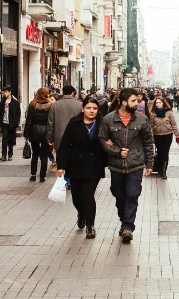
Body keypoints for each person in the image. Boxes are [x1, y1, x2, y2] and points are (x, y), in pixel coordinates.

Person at [98, 88, 154, 243]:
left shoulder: (142, 120)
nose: (137, 103)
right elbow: (102, 139)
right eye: (133, 101)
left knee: (132, 194)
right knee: (119, 195)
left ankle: (128, 227)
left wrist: (149, 163)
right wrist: (116, 151)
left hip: (135, 164)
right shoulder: (109, 120)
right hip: (116, 166)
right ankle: (124, 221)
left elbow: (148, 142)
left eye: (137, 100)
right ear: (124, 102)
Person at [55, 97, 107, 239]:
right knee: (77, 198)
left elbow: (108, 142)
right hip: (75, 165)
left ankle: (90, 226)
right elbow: (64, 145)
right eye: (89, 108)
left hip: (94, 166)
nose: (92, 111)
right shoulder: (74, 123)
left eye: (95, 108)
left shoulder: (102, 123)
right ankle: (81, 213)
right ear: (83, 109)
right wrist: (61, 166)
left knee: (88, 195)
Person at [23, 87, 52, 183]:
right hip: (46, 131)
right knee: (44, 154)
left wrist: (26, 133)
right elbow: (51, 121)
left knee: (35, 153)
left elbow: (29, 120)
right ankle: (42, 176)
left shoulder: (32, 104)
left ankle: (33, 175)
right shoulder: (50, 105)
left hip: (34, 131)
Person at [149, 96, 179, 179]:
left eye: (160, 102)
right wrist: (151, 137)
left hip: (167, 135)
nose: (158, 104)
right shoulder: (152, 113)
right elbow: (151, 126)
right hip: (157, 136)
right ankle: (159, 169)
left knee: (165, 153)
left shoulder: (169, 113)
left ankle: (163, 172)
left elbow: (173, 124)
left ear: (163, 103)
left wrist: (177, 135)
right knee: (160, 153)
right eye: (157, 103)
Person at [48, 85, 82, 156]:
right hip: (76, 138)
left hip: (59, 138)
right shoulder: (79, 105)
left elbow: (51, 124)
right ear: (72, 93)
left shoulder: (55, 105)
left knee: (60, 161)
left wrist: (50, 140)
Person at [0, 86, 21, 161]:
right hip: (4, 123)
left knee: (11, 139)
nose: (4, 93)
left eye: (6, 92)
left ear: (10, 92)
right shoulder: (2, 102)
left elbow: (18, 113)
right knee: (4, 138)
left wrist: (16, 123)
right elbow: (0, 113)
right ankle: (3, 155)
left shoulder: (15, 102)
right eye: (4, 92)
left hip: (12, 124)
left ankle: (10, 154)